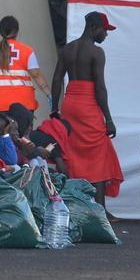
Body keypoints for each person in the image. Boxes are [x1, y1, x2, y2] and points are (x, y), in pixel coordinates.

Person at [51, 11, 123, 215]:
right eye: (104, 30)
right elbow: (100, 88)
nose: (105, 35)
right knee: (98, 155)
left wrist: (54, 108)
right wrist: (108, 119)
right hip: (88, 104)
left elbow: (57, 80)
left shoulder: (67, 49)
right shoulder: (96, 52)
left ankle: (74, 205)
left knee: (73, 153)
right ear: (94, 28)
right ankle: (100, 209)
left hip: (70, 103)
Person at [0, 16, 51, 113]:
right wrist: (48, 94)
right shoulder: (27, 51)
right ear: (17, 31)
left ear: (0, 31)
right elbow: (36, 75)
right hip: (23, 103)